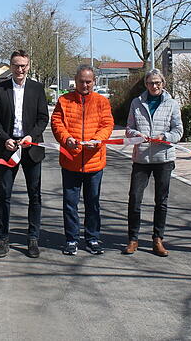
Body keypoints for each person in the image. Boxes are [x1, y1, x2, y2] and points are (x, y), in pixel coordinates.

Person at [0, 49, 49, 258]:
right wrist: (5, 138)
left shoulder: (37, 89)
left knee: (35, 195)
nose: (20, 69)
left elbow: (43, 118)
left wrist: (32, 136)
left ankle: (33, 239)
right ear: (10, 66)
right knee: (4, 195)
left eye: (23, 65)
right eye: (16, 65)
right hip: (7, 148)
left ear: (28, 66)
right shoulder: (0, 89)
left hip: (31, 149)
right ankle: (2, 239)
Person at [51, 65, 114, 256]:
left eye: (88, 81)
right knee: (70, 203)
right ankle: (71, 239)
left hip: (94, 161)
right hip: (71, 161)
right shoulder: (64, 100)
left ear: (94, 81)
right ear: (75, 81)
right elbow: (56, 123)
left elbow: (107, 123)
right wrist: (66, 139)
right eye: (81, 81)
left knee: (92, 203)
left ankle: (92, 238)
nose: (85, 85)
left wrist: (98, 139)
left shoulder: (102, 101)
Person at [123, 69, 183, 257]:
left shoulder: (172, 104)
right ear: (145, 84)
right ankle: (133, 239)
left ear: (163, 84)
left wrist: (163, 137)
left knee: (161, 201)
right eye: (150, 83)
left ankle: (158, 239)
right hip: (141, 158)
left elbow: (178, 131)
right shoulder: (136, 103)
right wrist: (137, 135)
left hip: (163, 158)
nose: (154, 86)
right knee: (135, 198)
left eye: (157, 83)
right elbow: (128, 129)